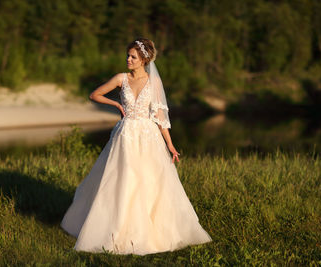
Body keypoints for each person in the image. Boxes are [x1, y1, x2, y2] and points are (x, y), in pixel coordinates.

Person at [61, 38, 212, 255]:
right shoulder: (121, 78)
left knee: (149, 181)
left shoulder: (154, 83)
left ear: (144, 59)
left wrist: (170, 144)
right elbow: (94, 95)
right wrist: (116, 104)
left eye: (133, 56)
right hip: (125, 137)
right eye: (128, 55)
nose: (128, 59)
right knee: (122, 180)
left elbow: (160, 116)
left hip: (149, 137)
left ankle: (149, 232)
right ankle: (115, 230)